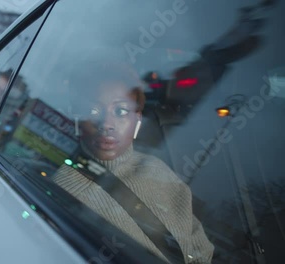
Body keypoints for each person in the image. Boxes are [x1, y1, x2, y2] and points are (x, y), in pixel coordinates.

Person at [52, 61, 214, 263]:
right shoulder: (65, 183)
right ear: (78, 117)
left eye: (120, 111)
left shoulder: (158, 171)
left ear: (137, 119)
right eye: (93, 111)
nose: (107, 124)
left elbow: (199, 249)